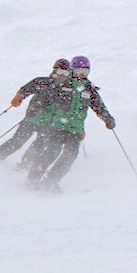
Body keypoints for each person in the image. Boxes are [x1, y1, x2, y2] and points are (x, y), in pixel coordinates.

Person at [25, 55, 116, 193]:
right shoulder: (62, 84)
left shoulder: (88, 89)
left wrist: (107, 119)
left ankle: (51, 180)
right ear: (72, 70)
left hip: (75, 128)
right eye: (78, 71)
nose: (80, 74)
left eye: (84, 72)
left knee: (70, 155)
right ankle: (33, 179)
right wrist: (36, 107)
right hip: (57, 125)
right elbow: (46, 97)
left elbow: (99, 106)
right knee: (51, 152)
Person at [0, 58, 69, 168]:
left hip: (49, 123)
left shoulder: (67, 89)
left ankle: (23, 165)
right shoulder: (42, 81)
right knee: (17, 142)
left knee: (39, 145)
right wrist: (19, 96)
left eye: (65, 73)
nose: (62, 75)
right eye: (59, 72)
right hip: (32, 118)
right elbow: (26, 89)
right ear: (54, 71)